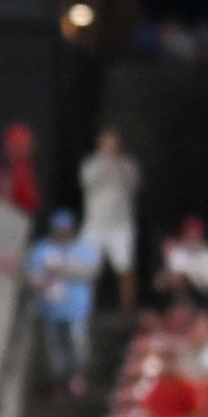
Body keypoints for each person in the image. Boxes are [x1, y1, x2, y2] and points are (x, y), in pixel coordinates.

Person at [27, 209, 100, 396]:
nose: (63, 233)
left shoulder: (82, 248)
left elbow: (89, 272)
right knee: (56, 349)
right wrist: (47, 275)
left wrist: (63, 268)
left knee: (77, 342)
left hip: (76, 307)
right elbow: (33, 278)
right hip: (50, 308)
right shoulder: (41, 249)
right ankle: (60, 381)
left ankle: (77, 376)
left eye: (66, 229)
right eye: (60, 230)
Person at [78, 129, 141, 312]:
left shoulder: (128, 164)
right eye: (106, 142)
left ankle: (127, 309)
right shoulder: (90, 164)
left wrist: (117, 162)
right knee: (88, 268)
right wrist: (105, 161)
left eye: (113, 141)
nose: (110, 145)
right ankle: (85, 308)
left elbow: (134, 184)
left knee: (125, 267)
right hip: (95, 223)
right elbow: (87, 182)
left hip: (121, 224)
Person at [157, 215, 208, 309]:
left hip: (205, 295)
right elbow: (165, 279)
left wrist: (187, 277)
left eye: (195, 235)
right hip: (183, 294)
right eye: (189, 234)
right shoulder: (179, 251)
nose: (192, 238)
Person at [0, 122, 41, 217]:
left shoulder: (21, 169)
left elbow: (32, 202)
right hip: (7, 212)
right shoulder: (7, 166)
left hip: (17, 214)